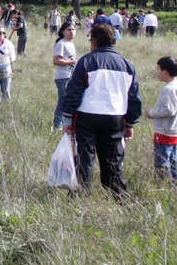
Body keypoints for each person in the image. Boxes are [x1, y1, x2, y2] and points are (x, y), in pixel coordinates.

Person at [61, 23, 142, 196]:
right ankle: (119, 195)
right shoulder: (127, 65)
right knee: (113, 159)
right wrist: (130, 124)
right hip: (115, 118)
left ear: (94, 40)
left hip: (87, 117)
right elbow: (134, 98)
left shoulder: (86, 61)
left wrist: (67, 119)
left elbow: (73, 92)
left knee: (85, 157)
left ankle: (79, 195)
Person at [144, 56, 177, 184]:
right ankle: (173, 183)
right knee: (173, 160)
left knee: (162, 161)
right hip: (173, 131)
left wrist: (150, 113)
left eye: (158, 69)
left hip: (166, 132)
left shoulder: (170, 89)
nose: (157, 72)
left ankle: (162, 184)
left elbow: (168, 110)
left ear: (165, 72)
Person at [52, 21, 78, 132]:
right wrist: (72, 62)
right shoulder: (61, 44)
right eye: (68, 30)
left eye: (73, 29)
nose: (71, 32)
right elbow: (56, 60)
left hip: (70, 76)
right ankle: (57, 125)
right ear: (63, 32)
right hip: (63, 77)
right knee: (63, 101)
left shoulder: (70, 44)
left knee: (69, 101)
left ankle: (66, 124)